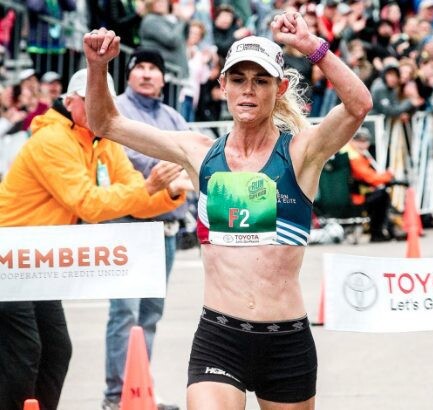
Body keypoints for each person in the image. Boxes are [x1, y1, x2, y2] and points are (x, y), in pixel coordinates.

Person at [83, 11, 372, 409]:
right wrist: (97, 67)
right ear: (222, 86)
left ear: (280, 87)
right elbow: (104, 122)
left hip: (285, 341)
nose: (248, 90)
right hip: (220, 337)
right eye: (238, 79)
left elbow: (358, 105)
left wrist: (311, 47)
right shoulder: (197, 152)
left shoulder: (301, 152)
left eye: (261, 81)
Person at [0, 68, 187, 410]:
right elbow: (87, 203)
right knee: (25, 350)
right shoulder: (52, 140)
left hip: (36, 261)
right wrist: (149, 186)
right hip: (9, 259)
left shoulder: (102, 140)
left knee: (57, 350)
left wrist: (167, 193)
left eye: (104, 103)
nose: (97, 109)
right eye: (90, 102)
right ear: (70, 101)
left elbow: (134, 194)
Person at [101, 48, 191, 410]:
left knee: (151, 314)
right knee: (125, 312)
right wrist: (167, 166)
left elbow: (190, 160)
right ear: (129, 75)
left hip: (164, 228)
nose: (147, 74)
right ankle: (115, 395)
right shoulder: (116, 111)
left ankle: (139, 391)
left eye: (154, 68)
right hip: (127, 224)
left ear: (164, 78)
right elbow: (122, 159)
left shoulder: (173, 117)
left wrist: (172, 170)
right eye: (140, 67)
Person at [340, 128, 403, 242]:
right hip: (355, 199)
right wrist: (388, 175)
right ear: (351, 140)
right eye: (358, 141)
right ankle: (378, 233)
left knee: (380, 194)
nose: (362, 144)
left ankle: (389, 229)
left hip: (342, 199)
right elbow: (371, 178)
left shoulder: (343, 153)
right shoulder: (353, 156)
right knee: (382, 195)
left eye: (365, 141)